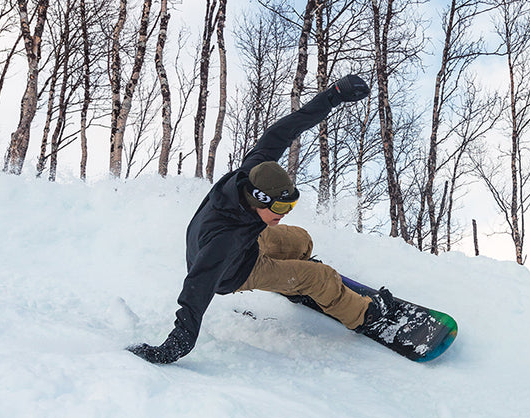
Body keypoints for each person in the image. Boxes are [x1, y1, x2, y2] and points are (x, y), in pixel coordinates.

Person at [128, 75, 388, 364]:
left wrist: (333, 95)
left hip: (249, 240)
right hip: (234, 270)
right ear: (258, 201)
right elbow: (196, 290)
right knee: (321, 277)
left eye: (291, 205)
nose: (285, 213)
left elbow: (285, 129)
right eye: (280, 209)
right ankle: (365, 315)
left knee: (302, 240)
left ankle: (296, 280)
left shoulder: (253, 172)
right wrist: (174, 347)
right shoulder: (223, 241)